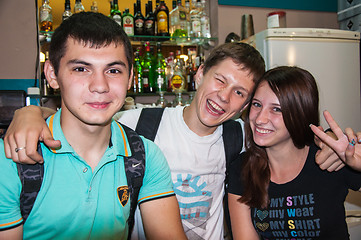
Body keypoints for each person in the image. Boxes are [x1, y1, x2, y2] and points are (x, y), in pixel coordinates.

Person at [3, 43, 341, 239]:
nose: (223, 97)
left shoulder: (241, 136)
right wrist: (30, 114)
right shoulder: (141, 124)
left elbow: (287, 135)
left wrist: (332, 148)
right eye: (219, 80)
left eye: (240, 93)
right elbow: (83, 116)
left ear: (244, 106)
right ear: (198, 74)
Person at [0, 12, 187, 240]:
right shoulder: (11, 158)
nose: (100, 86)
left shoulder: (144, 156)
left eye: (114, 70)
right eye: (81, 69)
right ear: (52, 75)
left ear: (130, 79)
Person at [227, 66, 361, 239]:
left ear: (300, 113)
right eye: (257, 104)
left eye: (276, 109)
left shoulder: (331, 158)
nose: (260, 119)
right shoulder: (242, 169)